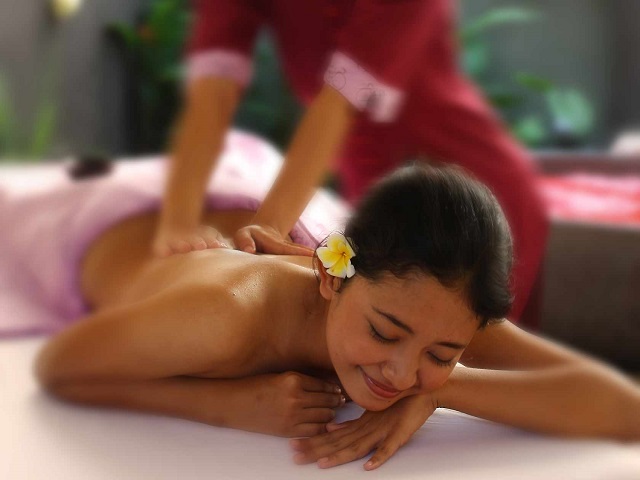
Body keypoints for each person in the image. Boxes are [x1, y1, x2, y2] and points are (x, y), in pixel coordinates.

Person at [36, 163, 640, 471]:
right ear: (331, 277)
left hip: (257, 217)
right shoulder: (225, 318)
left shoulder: (433, 305)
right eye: (384, 333)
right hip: (110, 220)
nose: (401, 373)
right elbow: (60, 366)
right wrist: (222, 404)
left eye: (442, 353)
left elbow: (623, 409)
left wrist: (444, 388)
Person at [153, 0, 548, 323]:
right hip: (378, 211)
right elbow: (214, 88)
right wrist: (178, 227)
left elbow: (341, 98)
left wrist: (264, 234)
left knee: (461, 371)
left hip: (476, 200)